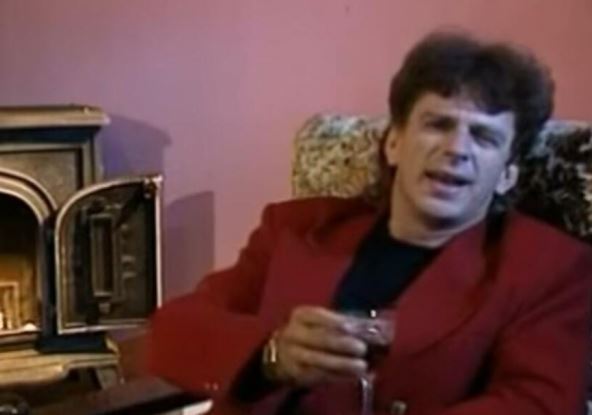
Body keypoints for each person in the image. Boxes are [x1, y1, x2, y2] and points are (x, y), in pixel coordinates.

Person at [149, 31, 592, 415]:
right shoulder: (296, 227)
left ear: (508, 173)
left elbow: (540, 404)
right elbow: (174, 330)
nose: (457, 149)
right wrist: (271, 355)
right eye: (438, 124)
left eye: (484, 136)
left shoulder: (546, 268)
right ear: (394, 143)